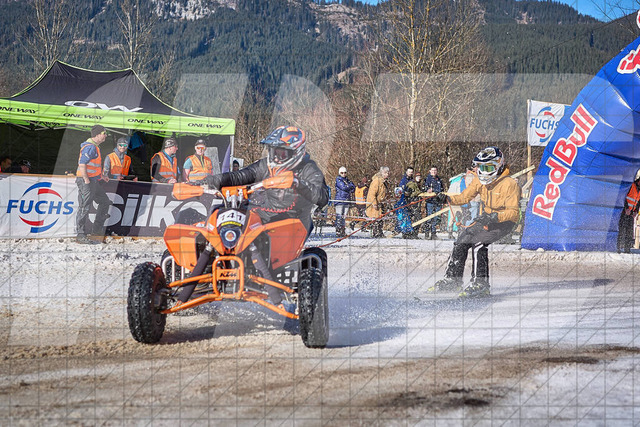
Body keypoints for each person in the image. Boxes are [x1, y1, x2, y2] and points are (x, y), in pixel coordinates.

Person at [193, 125, 329, 308]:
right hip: (263, 214)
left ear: (296, 152)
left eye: (281, 153)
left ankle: (264, 278)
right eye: (273, 151)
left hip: (292, 221)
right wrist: (208, 181)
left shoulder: (309, 169)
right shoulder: (265, 165)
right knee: (221, 213)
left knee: (259, 233)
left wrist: (299, 183)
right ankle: (208, 269)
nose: (275, 157)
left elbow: (322, 197)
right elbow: (238, 176)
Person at [431, 147, 520, 298]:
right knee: (462, 240)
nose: (484, 172)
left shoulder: (510, 184)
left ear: (498, 166)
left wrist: (494, 217)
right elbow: (464, 197)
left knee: (478, 243)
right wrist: (447, 198)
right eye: (481, 167)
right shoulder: (479, 180)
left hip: (504, 222)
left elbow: (514, 213)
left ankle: (481, 284)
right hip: (486, 218)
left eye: (488, 168)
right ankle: (453, 280)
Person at [76, 125, 112, 244]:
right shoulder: (90, 147)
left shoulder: (95, 147)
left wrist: (102, 176)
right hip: (86, 181)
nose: (105, 135)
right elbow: (82, 164)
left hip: (93, 180)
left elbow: (94, 166)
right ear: (97, 135)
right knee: (84, 206)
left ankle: (96, 231)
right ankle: (80, 234)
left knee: (104, 201)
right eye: (104, 133)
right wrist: (86, 179)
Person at [617, 171, 640, 253]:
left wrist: (636, 211)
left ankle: (627, 249)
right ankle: (618, 248)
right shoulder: (631, 186)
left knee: (629, 232)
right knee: (621, 230)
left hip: (631, 214)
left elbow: (638, 202)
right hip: (624, 212)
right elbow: (623, 196)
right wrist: (626, 208)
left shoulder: (639, 190)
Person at [366, 166, 390, 238]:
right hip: (374, 203)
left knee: (381, 218)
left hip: (381, 203)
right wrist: (374, 203)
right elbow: (372, 194)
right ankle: (376, 233)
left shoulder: (385, 182)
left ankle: (380, 232)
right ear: (381, 173)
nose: (387, 174)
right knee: (376, 219)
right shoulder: (376, 181)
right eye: (385, 173)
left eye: (388, 173)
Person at [423, 166, 445, 239]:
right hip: (430, 201)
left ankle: (433, 233)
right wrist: (428, 190)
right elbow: (425, 188)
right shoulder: (427, 179)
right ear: (430, 171)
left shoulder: (439, 179)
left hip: (437, 201)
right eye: (432, 170)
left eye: (435, 170)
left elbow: (441, 189)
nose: (434, 172)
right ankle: (427, 233)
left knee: (435, 218)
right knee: (429, 217)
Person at [334, 166, 355, 237]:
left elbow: (353, 188)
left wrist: (349, 187)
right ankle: (338, 230)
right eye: (342, 173)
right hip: (339, 200)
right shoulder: (338, 180)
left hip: (346, 200)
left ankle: (342, 230)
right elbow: (343, 187)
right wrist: (349, 187)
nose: (343, 174)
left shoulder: (347, 180)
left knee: (344, 216)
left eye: (345, 172)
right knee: (339, 216)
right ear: (339, 173)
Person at [404, 171, 424, 239]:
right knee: (416, 218)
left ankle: (414, 233)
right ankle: (409, 233)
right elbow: (407, 193)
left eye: (420, 177)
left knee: (417, 219)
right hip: (412, 204)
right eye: (417, 176)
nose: (419, 178)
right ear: (415, 177)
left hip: (417, 204)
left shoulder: (420, 185)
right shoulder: (411, 184)